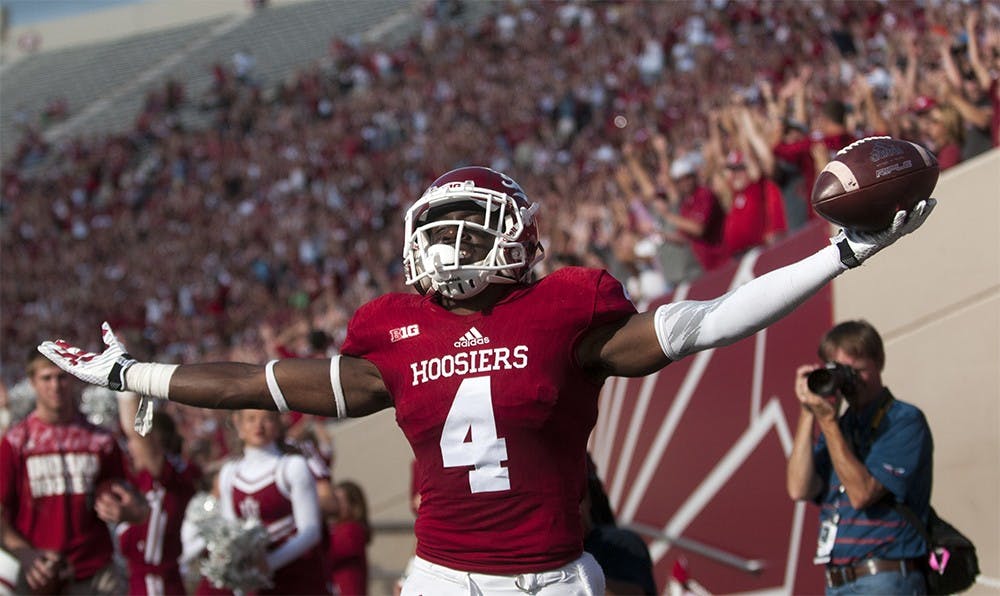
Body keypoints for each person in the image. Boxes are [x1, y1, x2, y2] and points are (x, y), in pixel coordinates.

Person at [37, 166, 935, 594]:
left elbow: (700, 324)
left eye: (473, 225)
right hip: (447, 579)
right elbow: (254, 384)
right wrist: (131, 371)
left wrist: (837, 253)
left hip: (554, 576)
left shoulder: (562, 308)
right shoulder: (395, 330)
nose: (462, 242)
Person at [786, 321, 933, 594]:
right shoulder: (840, 428)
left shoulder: (903, 420)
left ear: (879, 362)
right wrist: (808, 411)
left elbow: (862, 493)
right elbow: (798, 488)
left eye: (858, 371)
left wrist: (828, 424)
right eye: (843, 373)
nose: (851, 381)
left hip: (885, 576)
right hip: (838, 579)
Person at [0, 350, 134, 594]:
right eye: (46, 378)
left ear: (73, 378)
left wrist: (125, 509)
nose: (55, 386)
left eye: (62, 377)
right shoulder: (16, 442)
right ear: (32, 382)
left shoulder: (100, 440)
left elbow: (132, 502)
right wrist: (25, 554)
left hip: (95, 571)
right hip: (39, 574)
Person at [217, 409, 329, 595]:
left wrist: (269, 563)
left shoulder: (292, 466)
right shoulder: (229, 472)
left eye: (266, 418)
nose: (258, 426)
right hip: (257, 584)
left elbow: (311, 532)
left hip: (299, 578)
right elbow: (231, 531)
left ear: (278, 423)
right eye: (251, 419)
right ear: (238, 424)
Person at [98, 393, 200, 595]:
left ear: (157, 444)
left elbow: (139, 433)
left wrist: (126, 390)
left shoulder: (172, 473)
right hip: (132, 581)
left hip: (158, 584)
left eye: (132, 443)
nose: (129, 448)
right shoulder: (135, 478)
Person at [328, 480, 370, 596]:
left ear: (354, 505)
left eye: (338, 500)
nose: (333, 504)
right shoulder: (336, 528)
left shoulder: (352, 530)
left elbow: (328, 554)